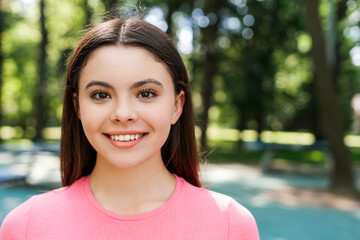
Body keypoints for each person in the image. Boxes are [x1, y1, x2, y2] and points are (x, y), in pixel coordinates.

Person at [0, 16, 259, 239]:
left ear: (177, 105)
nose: (123, 114)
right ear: (77, 107)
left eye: (146, 93)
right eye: (101, 95)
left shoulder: (230, 225)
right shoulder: (25, 226)